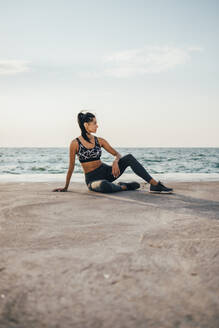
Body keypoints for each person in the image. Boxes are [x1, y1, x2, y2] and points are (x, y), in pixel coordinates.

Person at [53, 111, 173, 194]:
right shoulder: (75, 143)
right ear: (86, 125)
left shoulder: (99, 141)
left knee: (129, 158)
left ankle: (154, 185)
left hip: (107, 172)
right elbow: (71, 167)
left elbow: (117, 154)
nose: (97, 125)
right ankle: (123, 186)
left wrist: (116, 161)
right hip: (92, 180)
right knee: (104, 185)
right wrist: (65, 187)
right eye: (94, 123)